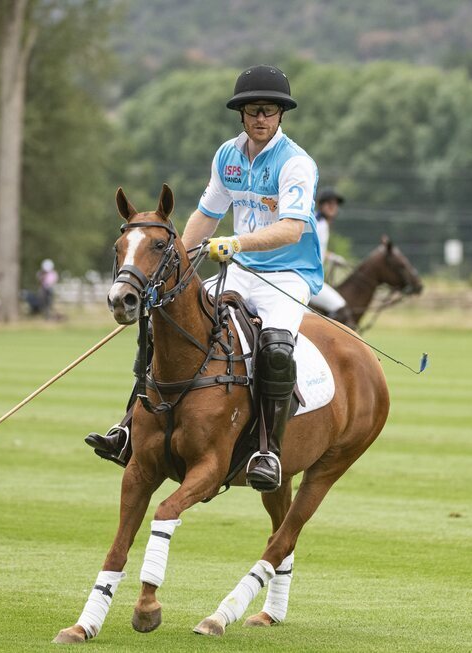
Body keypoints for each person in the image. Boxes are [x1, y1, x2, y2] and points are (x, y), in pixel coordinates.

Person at [87, 65, 322, 493]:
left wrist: (236, 244)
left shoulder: (296, 164)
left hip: (288, 276)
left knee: (274, 346)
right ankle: (127, 428)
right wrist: (177, 258)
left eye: (269, 111)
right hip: (239, 270)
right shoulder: (227, 156)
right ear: (242, 115)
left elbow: (293, 229)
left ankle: (267, 449)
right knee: (167, 321)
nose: (261, 119)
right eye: (253, 111)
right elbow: (206, 216)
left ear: (281, 114)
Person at [308, 187, 355, 326]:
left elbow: (319, 248)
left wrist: (332, 257)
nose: (333, 207)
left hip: (312, 276)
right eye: (329, 204)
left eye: (335, 205)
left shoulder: (321, 223)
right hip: (310, 277)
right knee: (341, 308)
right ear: (321, 205)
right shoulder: (319, 224)